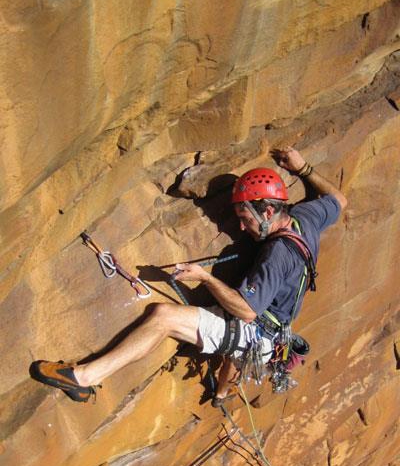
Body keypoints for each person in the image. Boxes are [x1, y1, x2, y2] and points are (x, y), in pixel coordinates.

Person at [30, 147, 347, 405]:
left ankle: (83, 379)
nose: (240, 227)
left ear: (267, 212)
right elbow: (339, 200)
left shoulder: (277, 255)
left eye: (244, 217)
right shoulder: (305, 218)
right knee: (230, 343)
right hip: (273, 333)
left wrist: (205, 279)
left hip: (255, 330)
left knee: (164, 317)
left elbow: (246, 310)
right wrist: (303, 169)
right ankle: (222, 394)